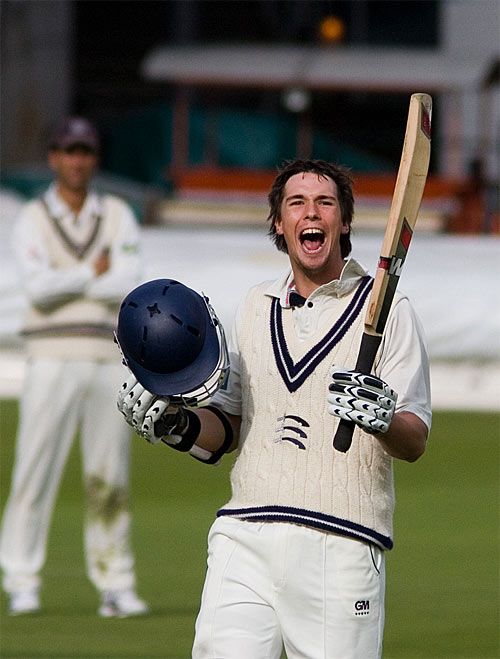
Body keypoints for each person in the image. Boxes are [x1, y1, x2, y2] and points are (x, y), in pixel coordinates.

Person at [117, 159, 431, 658]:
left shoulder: (389, 310)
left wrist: (383, 418)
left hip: (341, 542)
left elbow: (413, 438)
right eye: (297, 203)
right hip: (245, 534)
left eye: (325, 203)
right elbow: (232, 425)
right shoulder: (255, 305)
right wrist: (177, 425)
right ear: (280, 224)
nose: (312, 212)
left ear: (343, 222)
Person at [0, 116, 149, 618]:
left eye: (84, 151)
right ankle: (21, 578)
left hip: (107, 356)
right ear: (53, 158)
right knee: (33, 470)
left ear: (94, 158)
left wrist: (69, 279)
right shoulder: (32, 217)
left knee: (109, 474)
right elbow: (36, 287)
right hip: (49, 356)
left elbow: (127, 281)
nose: (77, 160)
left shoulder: (117, 214)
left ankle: (116, 582)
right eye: (68, 151)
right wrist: (90, 272)